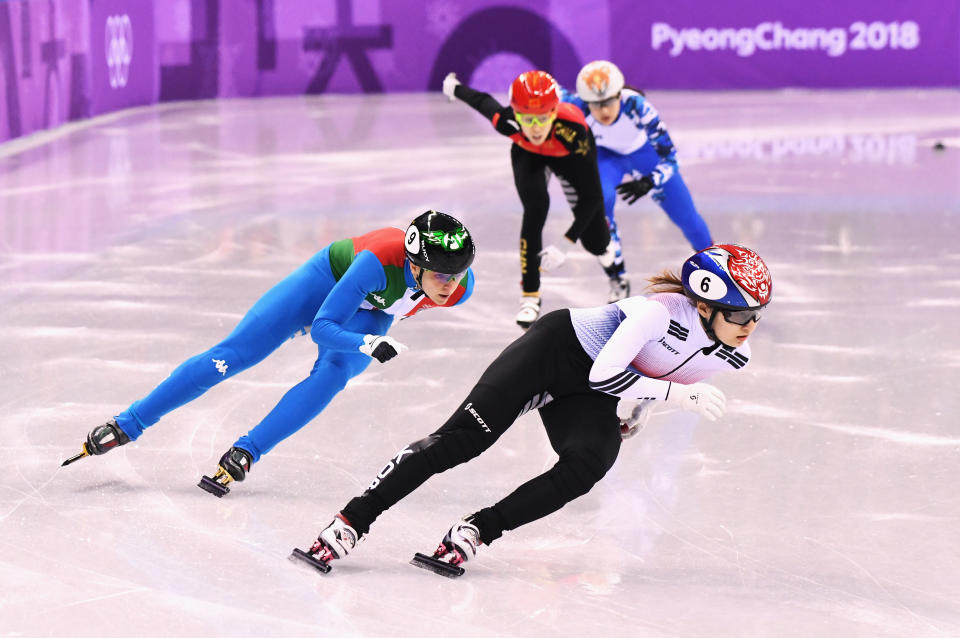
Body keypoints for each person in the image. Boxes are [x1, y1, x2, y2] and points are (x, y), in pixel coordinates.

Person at [291, 244, 771, 576]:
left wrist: (644, 403)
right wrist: (674, 396)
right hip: (554, 352)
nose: (750, 326)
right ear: (705, 306)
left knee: (589, 464)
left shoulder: (732, 354)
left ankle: (477, 530)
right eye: (741, 315)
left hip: (591, 392)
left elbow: (657, 374)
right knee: (462, 442)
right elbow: (605, 374)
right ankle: (352, 521)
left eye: (757, 315)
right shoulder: (657, 313)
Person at [62, 211, 477, 498]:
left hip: (373, 309)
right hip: (327, 282)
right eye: (441, 275)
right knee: (235, 355)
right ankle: (128, 423)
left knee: (332, 377)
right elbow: (324, 327)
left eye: (456, 274)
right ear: (415, 263)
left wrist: (369, 334)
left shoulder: (459, 288)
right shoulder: (376, 261)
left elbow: (396, 303)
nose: (449, 284)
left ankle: (248, 450)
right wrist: (366, 343)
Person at [442, 69, 626, 328]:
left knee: (595, 240)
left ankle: (615, 272)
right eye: (527, 119)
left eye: (542, 118)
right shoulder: (509, 123)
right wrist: (454, 86)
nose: (535, 128)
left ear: (554, 112)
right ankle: (530, 295)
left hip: (568, 158)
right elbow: (482, 101)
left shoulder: (574, 132)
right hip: (529, 155)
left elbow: (593, 197)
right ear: (516, 115)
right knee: (535, 209)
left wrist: (565, 243)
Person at [561, 60, 714, 294]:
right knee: (602, 202)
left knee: (687, 216)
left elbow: (671, 158)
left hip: (645, 155)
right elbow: (545, 89)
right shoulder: (575, 105)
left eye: (609, 101)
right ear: (585, 101)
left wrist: (650, 180)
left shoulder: (638, 107)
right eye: (596, 104)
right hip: (606, 157)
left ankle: (716, 269)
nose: (603, 111)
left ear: (620, 95)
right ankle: (617, 278)